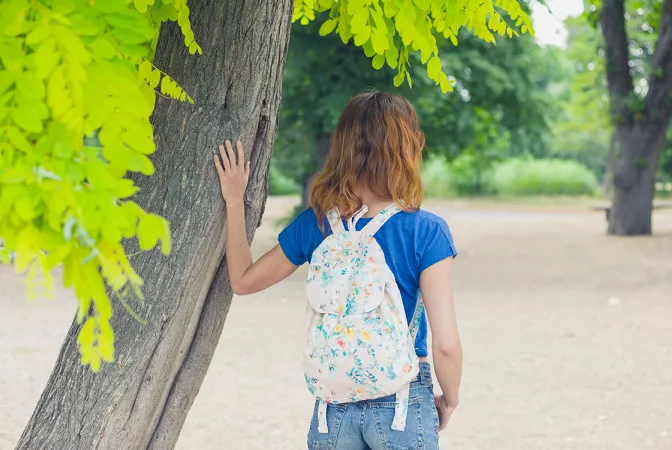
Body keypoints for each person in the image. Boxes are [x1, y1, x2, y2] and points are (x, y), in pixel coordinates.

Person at [213, 90, 462, 449]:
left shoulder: (316, 224)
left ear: (343, 147)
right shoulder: (426, 231)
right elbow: (448, 346)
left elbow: (242, 280)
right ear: (406, 148)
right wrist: (449, 400)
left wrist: (234, 200)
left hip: (332, 408)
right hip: (401, 403)